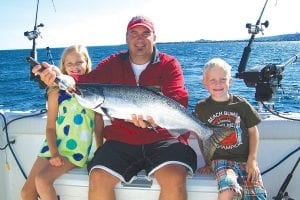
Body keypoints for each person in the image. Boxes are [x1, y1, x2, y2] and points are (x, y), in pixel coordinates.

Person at [32, 16, 197, 200]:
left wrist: (155, 122)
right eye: (134, 33)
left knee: (174, 177)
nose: (139, 39)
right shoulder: (113, 63)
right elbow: (85, 81)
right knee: (97, 177)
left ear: (154, 37)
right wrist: (61, 77)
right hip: (122, 137)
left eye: (145, 33)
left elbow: (177, 100)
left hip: (163, 136)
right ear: (126, 38)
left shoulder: (169, 64)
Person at [21, 45, 104, 200]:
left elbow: (98, 124)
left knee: (42, 180)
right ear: (63, 67)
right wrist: (54, 153)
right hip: (52, 146)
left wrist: (100, 149)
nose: (75, 67)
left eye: (79, 62)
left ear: (87, 63)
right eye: (70, 64)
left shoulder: (92, 91)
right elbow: (51, 127)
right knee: (26, 193)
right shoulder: (55, 92)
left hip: (75, 151)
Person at [194, 58, 267, 199]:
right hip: (219, 160)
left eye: (222, 79)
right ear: (205, 83)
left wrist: (252, 160)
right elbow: (201, 136)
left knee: (257, 196)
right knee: (228, 188)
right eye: (212, 80)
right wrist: (208, 162)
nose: (218, 84)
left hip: (245, 160)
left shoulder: (242, 104)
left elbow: (253, 132)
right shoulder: (201, 107)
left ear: (230, 81)